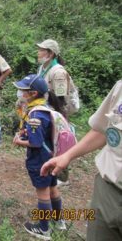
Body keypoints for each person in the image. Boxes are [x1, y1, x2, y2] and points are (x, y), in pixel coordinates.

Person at [41, 80, 122, 241]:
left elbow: (60, 97)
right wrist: (68, 155)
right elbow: (104, 130)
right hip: (108, 186)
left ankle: (47, 225)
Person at [12, 74, 65, 240]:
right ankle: (59, 221)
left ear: (33, 93)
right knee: (53, 188)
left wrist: (19, 142)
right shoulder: (46, 107)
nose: (20, 93)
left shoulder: (35, 115)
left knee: (43, 193)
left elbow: (35, 142)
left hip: (40, 160)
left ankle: (43, 230)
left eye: (23, 90)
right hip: (52, 156)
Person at [36, 39, 77, 184]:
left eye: (41, 50)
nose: (38, 52)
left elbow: (61, 98)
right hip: (47, 110)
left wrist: (59, 117)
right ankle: (50, 168)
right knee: (49, 141)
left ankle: (61, 175)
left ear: (50, 53)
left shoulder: (58, 72)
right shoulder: (43, 68)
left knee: (59, 142)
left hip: (56, 112)